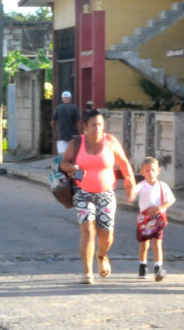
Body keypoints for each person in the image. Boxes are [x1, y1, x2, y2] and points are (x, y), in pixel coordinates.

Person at [60, 109, 136, 285]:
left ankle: (101, 255)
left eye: (100, 124)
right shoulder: (77, 143)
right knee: (87, 230)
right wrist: (70, 167)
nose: (97, 128)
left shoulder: (110, 141)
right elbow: (64, 162)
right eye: (93, 125)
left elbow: (123, 161)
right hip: (83, 192)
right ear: (85, 126)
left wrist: (129, 181)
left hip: (106, 193)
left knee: (107, 234)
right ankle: (87, 272)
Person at [134, 156, 176, 282]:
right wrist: (129, 191)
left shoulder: (163, 186)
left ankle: (158, 268)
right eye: (147, 170)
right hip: (144, 220)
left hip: (157, 219)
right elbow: (133, 192)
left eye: (153, 170)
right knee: (144, 244)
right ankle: (142, 266)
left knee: (157, 243)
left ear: (158, 171)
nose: (150, 173)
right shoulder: (141, 186)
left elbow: (171, 200)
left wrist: (160, 207)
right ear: (142, 172)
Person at [51, 91, 80, 155]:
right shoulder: (74, 108)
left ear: (62, 98)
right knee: (72, 156)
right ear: (70, 98)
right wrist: (80, 134)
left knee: (62, 157)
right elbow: (78, 123)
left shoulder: (58, 108)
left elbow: (53, 122)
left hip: (61, 136)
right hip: (72, 137)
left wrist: (54, 132)